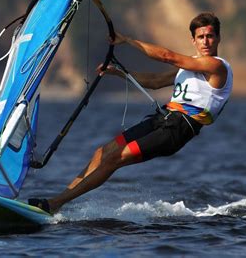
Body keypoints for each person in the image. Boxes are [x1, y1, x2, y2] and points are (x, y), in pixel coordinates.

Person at [29, 12, 233, 214]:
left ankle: (54, 203)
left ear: (218, 38)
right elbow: (154, 81)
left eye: (210, 36)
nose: (206, 41)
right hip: (163, 118)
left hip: (178, 129)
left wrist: (127, 40)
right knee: (102, 152)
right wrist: (119, 72)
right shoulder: (191, 66)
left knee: (114, 159)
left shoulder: (217, 66)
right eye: (201, 37)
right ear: (194, 40)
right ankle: (59, 201)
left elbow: (167, 56)